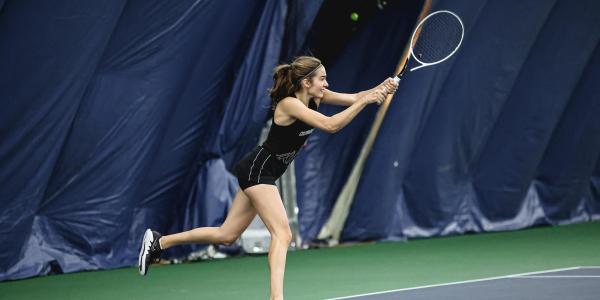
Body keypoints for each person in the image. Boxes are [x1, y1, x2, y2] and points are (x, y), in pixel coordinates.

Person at [138, 56, 398, 299]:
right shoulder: (290, 104)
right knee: (283, 234)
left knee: (226, 235)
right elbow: (331, 125)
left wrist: (381, 88)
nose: (326, 84)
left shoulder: (317, 96)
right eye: (322, 79)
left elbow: (354, 97)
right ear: (306, 82)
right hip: (258, 171)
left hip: (262, 171)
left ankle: (160, 241)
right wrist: (366, 101)